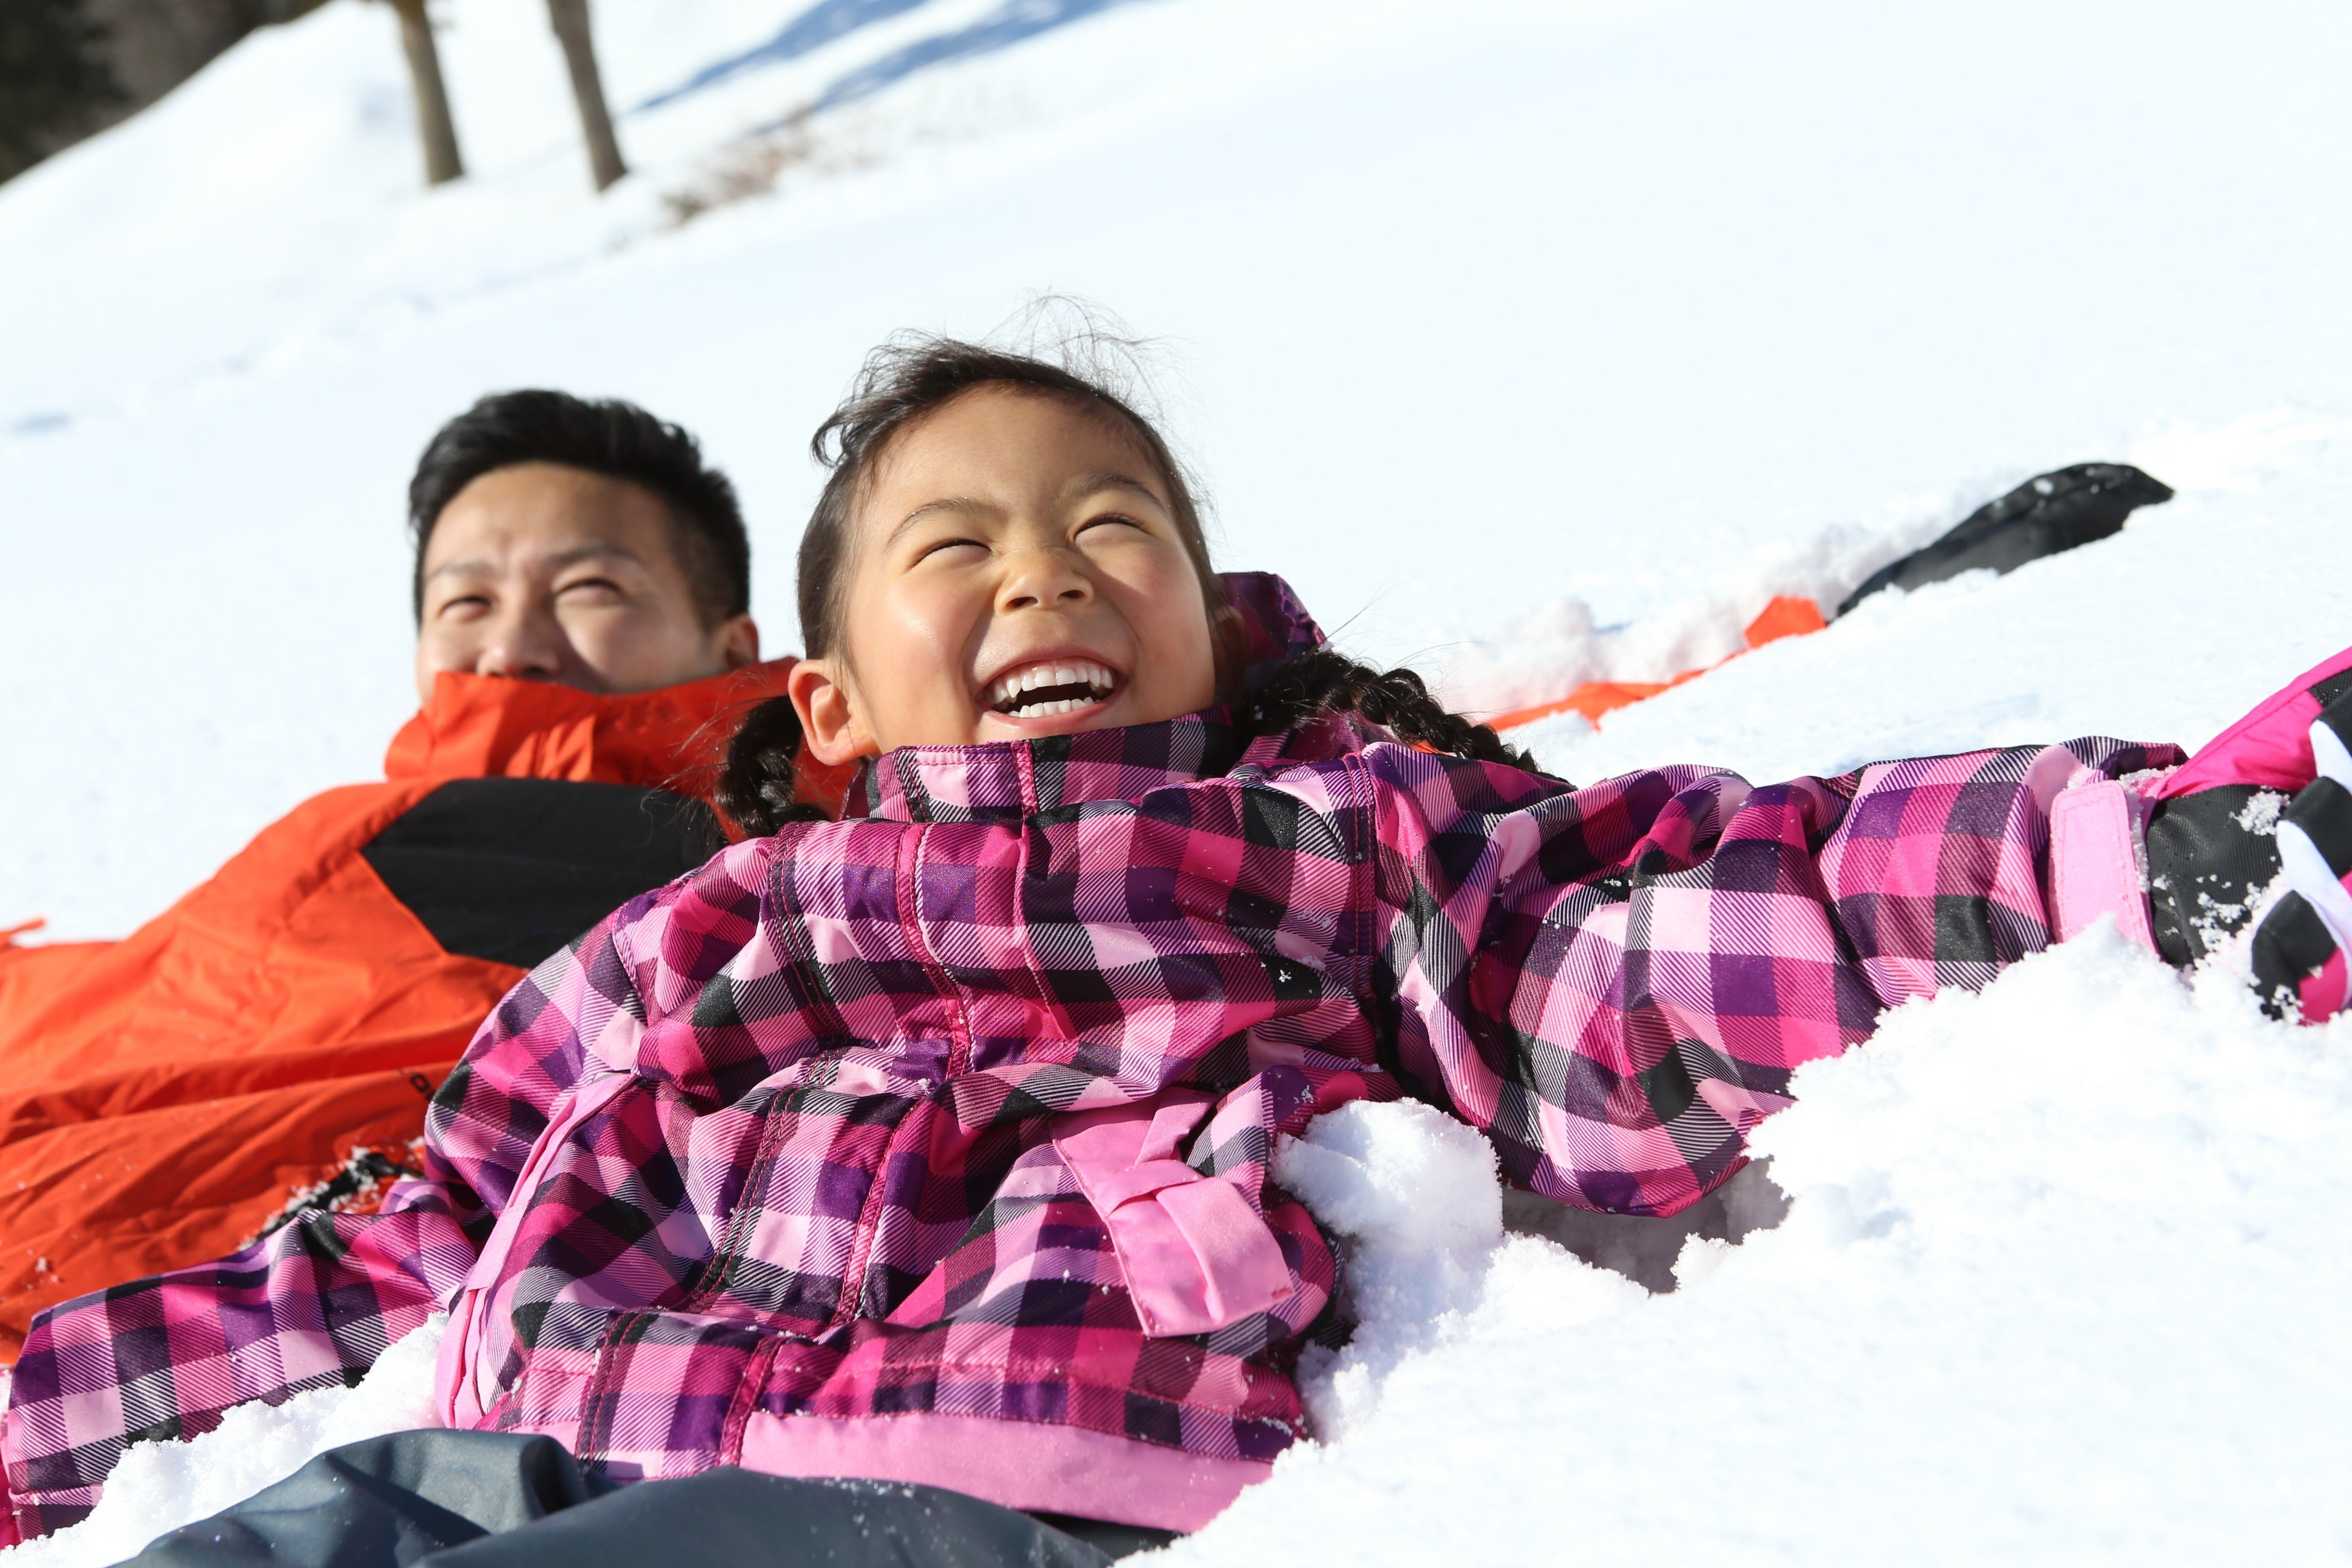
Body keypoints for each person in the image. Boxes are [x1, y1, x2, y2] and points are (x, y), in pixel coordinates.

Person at [6, 340, 2346, 1560]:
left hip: (945, 1433)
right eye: (959, 543)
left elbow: (1657, 919)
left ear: (736, 659)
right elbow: (395, 1244)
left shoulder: (1290, 839)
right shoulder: (660, 926)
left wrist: (2134, 841)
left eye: (1107, 524)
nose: (1039, 570)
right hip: (555, 1413)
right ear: (828, 691)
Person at [0, 391, 852, 1355]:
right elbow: (151, 993)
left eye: (589, 589)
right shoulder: (353, 834)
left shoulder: (812, 866)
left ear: (731, 645)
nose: (509, 646)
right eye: (466, 602)